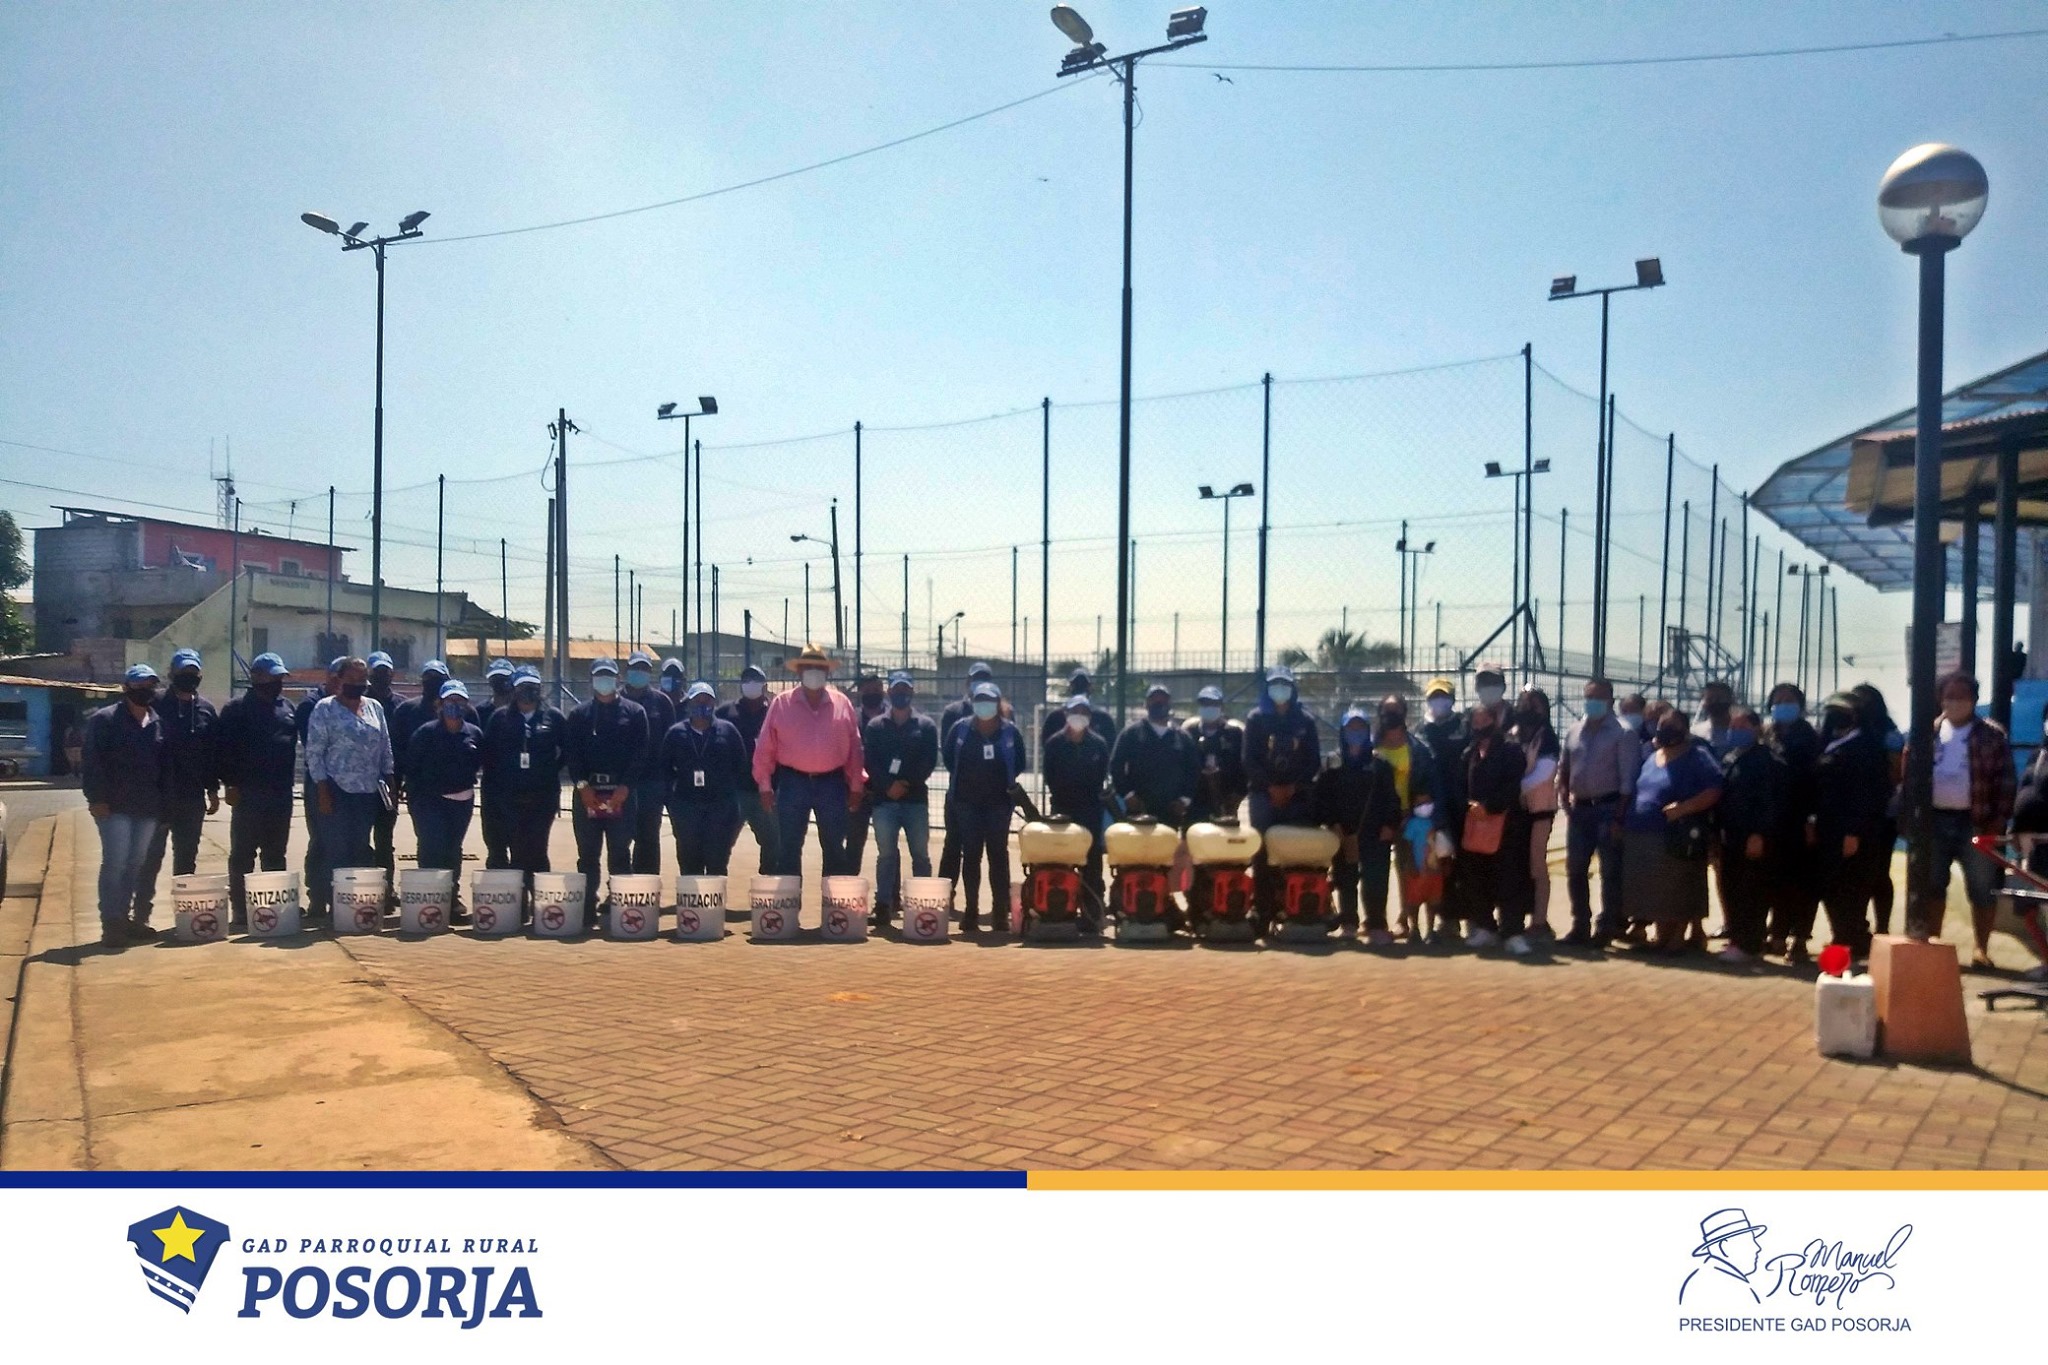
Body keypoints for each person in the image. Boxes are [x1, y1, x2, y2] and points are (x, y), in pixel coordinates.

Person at [753, 643, 866, 877]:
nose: (814, 671)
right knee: (789, 847)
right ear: (799, 671)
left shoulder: (842, 703)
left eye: (819, 667)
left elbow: (855, 748)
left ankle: (833, 900)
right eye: (808, 667)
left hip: (832, 783)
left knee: (834, 846)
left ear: (827, 672)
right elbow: (765, 748)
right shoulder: (781, 703)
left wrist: (856, 785)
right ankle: (790, 899)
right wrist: (764, 786)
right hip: (793, 782)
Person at [1926, 671, 2015, 967]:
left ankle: (1981, 949)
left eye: (1962, 696)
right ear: (1940, 698)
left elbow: (2006, 782)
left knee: (1982, 888)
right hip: (1935, 821)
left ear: (1974, 699)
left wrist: (1998, 822)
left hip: (1976, 822)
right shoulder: (1928, 732)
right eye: (1949, 695)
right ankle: (1933, 944)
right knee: (1932, 885)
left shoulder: (1992, 734)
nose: (1955, 701)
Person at [1621, 708, 1723, 952]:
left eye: (1674, 725)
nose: (1666, 729)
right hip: (1642, 833)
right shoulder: (1652, 757)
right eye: (1663, 724)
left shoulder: (1697, 755)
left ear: (1685, 730)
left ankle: (1678, 937)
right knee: (1655, 889)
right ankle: (1661, 937)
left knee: (1678, 885)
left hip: (1677, 834)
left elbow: (1714, 789)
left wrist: (1684, 808)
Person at [82, 664, 169, 948]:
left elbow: (163, 767)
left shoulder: (157, 722)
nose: (145, 690)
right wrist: (96, 798)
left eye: (150, 685)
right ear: (126, 688)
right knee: (115, 863)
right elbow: (92, 762)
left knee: (135, 865)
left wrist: (164, 805)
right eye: (139, 685)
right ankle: (111, 923)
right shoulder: (105, 720)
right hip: (113, 806)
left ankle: (124, 918)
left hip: (147, 807)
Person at [133, 647, 219, 933]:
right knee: (150, 858)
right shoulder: (155, 703)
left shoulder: (206, 709)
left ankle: (184, 916)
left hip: (192, 797)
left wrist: (213, 790)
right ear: (171, 674)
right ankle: (140, 917)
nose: (188, 677)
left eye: (193, 673)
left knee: (186, 859)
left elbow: (211, 754)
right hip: (157, 796)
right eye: (183, 672)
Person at [216, 652, 298, 928]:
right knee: (243, 854)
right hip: (248, 793)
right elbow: (223, 751)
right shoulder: (236, 709)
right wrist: (229, 784)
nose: (277, 682)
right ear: (255, 677)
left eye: (280, 677)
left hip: (281, 793)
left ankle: (272, 908)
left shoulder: (287, 708)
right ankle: (242, 910)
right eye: (272, 677)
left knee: (275, 854)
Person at [1558, 678, 1640, 948]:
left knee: (1610, 871)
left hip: (1609, 808)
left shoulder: (1623, 733)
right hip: (1580, 809)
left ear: (1610, 701)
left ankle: (1606, 927)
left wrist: (1619, 817)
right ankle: (1580, 924)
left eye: (1598, 697)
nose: (1592, 702)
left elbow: (1628, 780)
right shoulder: (1574, 731)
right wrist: (1564, 794)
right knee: (1575, 869)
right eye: (1589, 696)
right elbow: (1565, 766)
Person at [1811, 692, 1891, 962]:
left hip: (1853, 832)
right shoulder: (1828, 744)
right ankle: (1846, 935)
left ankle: (1850, 940)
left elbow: (1868, 794)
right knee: (1830, 885)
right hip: (1827, 827)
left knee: (1851, 887)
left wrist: (1854, 831)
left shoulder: (1866, 747)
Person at [563, 658, 647, 911]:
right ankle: (588, 902)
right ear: (591, 680)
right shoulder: (579, 714)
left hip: (620, 794)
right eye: (599, 676)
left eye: (609, 675)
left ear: (617, 679)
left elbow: (640, 753)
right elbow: (572, 754)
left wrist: (626, 786)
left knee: (620, 851)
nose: (604, 681)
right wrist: (582, 785)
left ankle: (619, 903)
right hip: (588, 793)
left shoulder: (634, 713)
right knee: (588, 853)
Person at [304, 656, 396, 879]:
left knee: (360, 848)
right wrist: (322, 790)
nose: (358, 684)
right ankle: (328, 895)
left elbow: (385, 746)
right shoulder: (324, 709)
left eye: (362, 679)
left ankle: (355, 896)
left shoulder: (375, 708)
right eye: (352, 679)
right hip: (335, 790)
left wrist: (390, 781)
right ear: (339, 680)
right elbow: (314, 753)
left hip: (367, 792)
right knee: (336, 850)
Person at [1315, 707, 1402, 940]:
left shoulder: (1380, 764)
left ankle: (1376, 924)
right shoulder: (1332, 763)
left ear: (1368, 731)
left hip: (1375, 832)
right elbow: (1321, 797)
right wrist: (1332, 823)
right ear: (1343, 731)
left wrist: (1390, 825)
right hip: (1342, 832)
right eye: (1351, 728)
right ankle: (1348, 923)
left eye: (1360, 728)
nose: (1356, 732)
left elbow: (1391, 798)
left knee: (1376, 879)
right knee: (1345, 879)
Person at [480, 665, 567, 894]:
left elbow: (568, 750)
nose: (528, 692)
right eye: (522, 687)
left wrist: (550, 770)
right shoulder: (500, 718)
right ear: (514, 690)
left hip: (543, 797)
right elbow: (488, 755)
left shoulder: (553, 717)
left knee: (538, 849)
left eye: (533, 687)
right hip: (509, 797)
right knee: (516, 848)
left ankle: (539, 898)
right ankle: (516, 902)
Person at [944, 680, 1023, 931]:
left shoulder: (1010, 732)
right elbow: (949, 759)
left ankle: (1000, 911)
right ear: (972, 703)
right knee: (971, 856)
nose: (984, 705)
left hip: (999, 804)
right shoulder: (960, 730)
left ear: (998, 704)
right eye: (979, 700)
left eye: (989, 700)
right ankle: (971, 910)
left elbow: (1019, 763)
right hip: (967, 804)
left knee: (998, 856)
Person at [1450, 698, 1526, 951]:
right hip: (1475, 826)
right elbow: (1459, 787)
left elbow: (1513, 785)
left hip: (1506, 827)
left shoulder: (1511, 750)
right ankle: (1485, 928)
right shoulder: (1468, 754)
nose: (1480, 725)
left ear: (1496, 721)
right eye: (1476, 720)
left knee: (1508, 879)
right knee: (1475, 878)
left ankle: (1513, 933)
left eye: (1486, 719)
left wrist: (1489, 806)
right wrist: (1469, 806)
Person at [863, 671, 938, 927]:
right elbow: (870, 762)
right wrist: (887, 785)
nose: (901, 694)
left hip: (915, 800)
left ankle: (922, 904)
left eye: (905, 690)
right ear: (889, 692)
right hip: (884, 802)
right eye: (896, 690)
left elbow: (929, 761)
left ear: (912, 692)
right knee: (886, 855)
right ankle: (883, 905)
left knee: (920, 855)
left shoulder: (926, 726)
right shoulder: (875, 727)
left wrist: (906, 784)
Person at [1714, 705, 1787, 965]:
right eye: (1732, 727)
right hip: (1730, 836)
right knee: (1732, 889)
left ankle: (1749, 943)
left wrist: (1758, 834)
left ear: (1757, 728)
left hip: (1752, 837)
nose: (1736, 731)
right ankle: (1738, 938)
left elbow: (1769, 802)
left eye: (1742, 726)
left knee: (1751, 892)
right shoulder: (1731, 757)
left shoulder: (1766, 760)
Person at [1365, 695, 1439, 945]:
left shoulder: (1418, 749)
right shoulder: (1371, 746)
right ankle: (1375, 919)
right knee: (1375, 870)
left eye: (1396, 710)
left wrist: (1415, 813)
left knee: (1408, 869)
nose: (1391, 715)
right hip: (1378, 819)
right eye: (1386, 710)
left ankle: (1405, 919)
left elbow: (1426, 785)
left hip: (1409, 818)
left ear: (1405, 713)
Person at [406, 679, 482, 918]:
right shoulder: (425, 733)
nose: (454, 705)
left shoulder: (474, 734)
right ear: (439, 704)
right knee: (431, 848)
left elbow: (481, 764)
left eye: (460, 701)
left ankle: (451, 897)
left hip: (462, 802)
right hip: (430, 802)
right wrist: (416, 802)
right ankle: (430, 900)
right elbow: (412, 768)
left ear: (467, 705)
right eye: (450, 701)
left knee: (453, 849)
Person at [662, 681, 750, 876]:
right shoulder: (676, 733)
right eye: (697, 701)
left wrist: (729, 796)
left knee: (717, 859)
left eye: (707, 700)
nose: (702, 705)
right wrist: (673, 801)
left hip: (720, 806)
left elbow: (740, 765)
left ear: (714, 703)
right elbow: (665, 769)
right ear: (688, 704)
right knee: (688, 859)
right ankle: (690, 896)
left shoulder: (728, 731)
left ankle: (715, 896)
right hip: (686, 805)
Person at [1762, 683, 1822, 962]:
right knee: (1775, 880)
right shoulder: (1767, 736)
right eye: (1778, 700)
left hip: (1801, 820)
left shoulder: (1810, 738)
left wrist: (1811, 819)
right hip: (1774, 819)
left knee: (1802, 882)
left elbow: (1815, 782)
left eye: (1789, 700)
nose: (1783, 705)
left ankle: (1799, 938)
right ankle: (1777, 934)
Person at [1500, 686, 1560, 948]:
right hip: (1516, 811)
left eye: (1535, 705)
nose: (1529, 709)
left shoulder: (1547, 738)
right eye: (1525, 703)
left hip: (1539, 811)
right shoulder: (1513, 734)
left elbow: (1544, 774)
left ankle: (1539, 921)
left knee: (1536, 864)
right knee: (1516, 865)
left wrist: (1512, 788)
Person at [1042, 694, 1112, 907]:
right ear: (1066, 714)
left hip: (1091, 809)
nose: (1079, 716)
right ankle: (1062, 905)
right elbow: (1049, 776)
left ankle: (1092, 907)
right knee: (1060, 857)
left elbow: (1101, 775)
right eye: (1074, 711)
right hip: (1062, 809)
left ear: (1090, 716)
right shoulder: (1054, 744)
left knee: (1092, 860)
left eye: (1083, 712)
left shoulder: (1099, 744)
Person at [1850, 683, 1904, 934]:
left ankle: (1882, 927)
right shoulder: (1848, 732)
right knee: (1856, 873)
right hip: (1854, 813)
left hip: (1883, 814)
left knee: (1879, 872)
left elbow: (1896, 774)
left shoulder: (1890, 736)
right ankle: (1856, 925)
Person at [936, 662, 996, 889]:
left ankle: (991, 904)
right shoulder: (953, 713)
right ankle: (945, 895)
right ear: (967, 683)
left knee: (989, 851)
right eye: (975, 679)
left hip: (992, 797)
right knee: (953, 845)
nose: (979, 683)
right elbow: (948, 755)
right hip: (960, 794)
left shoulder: (1001, 711)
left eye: (984, 679)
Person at [716, 664, 780, 875]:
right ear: (741, 685)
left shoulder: (775, 712)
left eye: (756, 680)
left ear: (765, 685)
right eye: (747, 680)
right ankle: (717, 882)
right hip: (734, 790)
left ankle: (767, 883)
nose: (751, 684)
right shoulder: (725, 712)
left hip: (766, 790)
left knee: (773, 841)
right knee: (723, 840)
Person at [620, 650, 677, 876]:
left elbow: (671, 740)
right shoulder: (616, 700)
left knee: (648, 837)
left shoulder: (661, 702)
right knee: (620, 837)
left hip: (652, 781)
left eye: (644, 669)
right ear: (627, 671)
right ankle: (621, 886)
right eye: (635, 668)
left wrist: (667, 778)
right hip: (621, 781)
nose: (639, 672)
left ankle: (647, 886)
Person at [1110, 684, 1200, 826]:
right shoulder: (1131, 733)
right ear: (1146, 704)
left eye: (1163, 700)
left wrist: (1184, 799)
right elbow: (1116, 765)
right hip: (1138, 808)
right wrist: (1127, 795)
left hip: (1171, 810)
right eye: (1154, 700)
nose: (1159, 703)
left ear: (1169, 704)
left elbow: (1193, 770)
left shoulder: (1183, 737)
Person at [295, 658, 343, 916]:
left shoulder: (356, 703)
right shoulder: (311, 705)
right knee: (321, 841)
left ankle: (340, 897)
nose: (341, 683)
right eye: (337, 678)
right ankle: (317, 897)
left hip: (348, 785)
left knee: (343, 842)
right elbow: (314, 747)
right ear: (328, 677)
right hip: (320, 782)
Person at [844, 672, 889, 873]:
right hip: (857, 792)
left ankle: (889, 891)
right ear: (860, 692)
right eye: (868, 690)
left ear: (883, 690)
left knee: (888, 847)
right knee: (853, 844)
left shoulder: (892, 717)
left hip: (885, 793)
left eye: (877, 689)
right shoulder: (850, 718)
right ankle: (848, 888)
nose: (872, 693)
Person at [364, 650, 400, 891]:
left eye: (386, 672)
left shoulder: (400, 706)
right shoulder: (360, 702)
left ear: (392, 674)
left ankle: (387, 889)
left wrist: (398, 781)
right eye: (377, 672)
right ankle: (368, 888)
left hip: (389, 782)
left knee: (385, 839)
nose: (382, 676)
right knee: (360, 839)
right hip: (362, 783)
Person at [1185, 685, 1248, 821]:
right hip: (1196, 801)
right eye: (1205, 704)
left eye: (1213, 704)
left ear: (1221, 707)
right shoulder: (1190, 732)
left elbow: (1244, 767)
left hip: (1227, 800)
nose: (1209, 707)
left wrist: (1238, 795)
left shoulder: (1234, 734)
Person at [1040, 668, 1118, 749]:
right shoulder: (1055, 717)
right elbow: (1048, 747)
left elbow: (1110, 748)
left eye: (1084, 684)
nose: (1080, 686)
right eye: (1075, 684)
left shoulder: (1103, 718)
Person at [1691, 679, 1737, 758]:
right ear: (1703, 703)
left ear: (1731, 700)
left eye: (1719, 699)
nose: (1715, 702)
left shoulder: (1741, 732)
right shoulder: (1695, 732)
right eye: (1710, 699)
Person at [474, 658, 516, 729]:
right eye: (495, 679)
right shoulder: (480, 711)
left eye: (503, 678)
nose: (499, 682)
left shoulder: (520, 709)